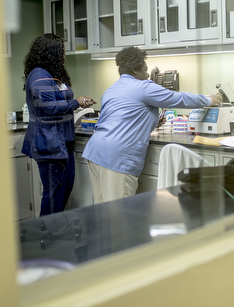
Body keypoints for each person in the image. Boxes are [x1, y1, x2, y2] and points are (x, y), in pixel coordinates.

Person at [82, 46, 221, 203]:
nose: (148, 74)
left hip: (95, 153)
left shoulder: (111, 89)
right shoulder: (144, 86)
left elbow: (121, 119)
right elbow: (178, 98)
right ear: (136, 69)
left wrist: (153, 122)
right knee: (119, 215)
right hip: (117, 158)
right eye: (145, 69)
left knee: (102, 210)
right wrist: (209, 99)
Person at [21, 34, 96, 216]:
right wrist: (76, 102)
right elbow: (50, 107)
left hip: (61, 143)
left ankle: (54, 232)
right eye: (60, 53)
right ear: (50, 53)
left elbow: (58, 99)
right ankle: (47, 235)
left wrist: (79, 101)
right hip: (49, 144)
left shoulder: (51, 76)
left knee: (63, 190)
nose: (64, 56)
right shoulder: (39, 75)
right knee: (54, 195)